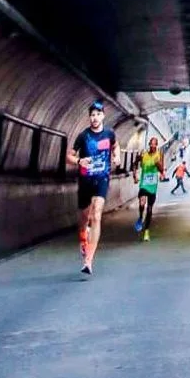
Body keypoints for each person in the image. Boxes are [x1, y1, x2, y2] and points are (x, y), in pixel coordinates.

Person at [67, 100, 121, 275]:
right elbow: (69, 156)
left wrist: (117, 157)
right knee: (84, 219)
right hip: (85, 180)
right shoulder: (83, 136)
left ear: (103, 116)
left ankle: (89, 260)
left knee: (96, 215)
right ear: (89, 118)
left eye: (98, 114)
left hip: (102, 179)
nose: (95, 118)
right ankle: (83, 239)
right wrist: (79, 161)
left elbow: (116, 146)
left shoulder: (109, 134)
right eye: (92, 115)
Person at [133, 137, 165, 241]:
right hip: (144, 183)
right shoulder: (143, 154)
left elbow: (161, 168)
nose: (152, 146)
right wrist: (135, 175)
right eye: (151, 144)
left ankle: (146, 231)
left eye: (154, 144)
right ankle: (140, 217)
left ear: (157, 145)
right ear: (149, 145)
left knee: (150, 208)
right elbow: (134, 163)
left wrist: (160, 170)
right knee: (142, 203)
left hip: (152, 185)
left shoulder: (159, 154)